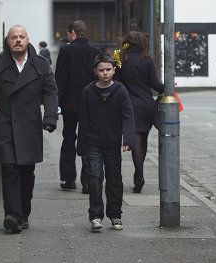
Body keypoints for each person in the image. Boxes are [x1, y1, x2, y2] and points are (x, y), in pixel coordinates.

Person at [0, 25, 58, 234]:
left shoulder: (41, 65)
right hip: (5, 124)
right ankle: (12, 215)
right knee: (9, 169)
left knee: (26, 172)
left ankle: (23, 213)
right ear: (8, 41)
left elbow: (51, 92)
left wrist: (50, 117)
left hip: (30, 125)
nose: (18, 40)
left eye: (21, 37)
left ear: (28, 39)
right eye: (14, 37)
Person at [77, 53, 135, 231]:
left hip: (112, 142)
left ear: (114, 70)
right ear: (95, 71)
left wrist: (128, 139)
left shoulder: (121, 91)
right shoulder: (88, 91)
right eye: (101, 70)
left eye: (108, 70)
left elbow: (128, 116)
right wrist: (81, 145)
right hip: (93, 142)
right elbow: (83, 118)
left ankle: (115, 215)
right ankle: (95, 215)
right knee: (94, 178)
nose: (105, 73)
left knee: (114, 179)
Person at [55, 20, 102, 193]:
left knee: (69, 138)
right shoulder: (96, 52)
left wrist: (56, 104)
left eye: (68, 34)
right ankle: (88, 181)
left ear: (73, 33)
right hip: (91, 103)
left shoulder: (66, 51)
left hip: (70, 103)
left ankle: (68, 179)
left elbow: (61, 79)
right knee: (88, 139)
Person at [114, 31, 164, 193]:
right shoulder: (147, 60)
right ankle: (139, 173)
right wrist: (168, 87)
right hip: (146, 105)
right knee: (143, 138)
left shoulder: (121, 59)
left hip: (128, 104)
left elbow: (116, 82)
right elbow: (155, 84)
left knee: (135, 139)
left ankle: (139, 174)